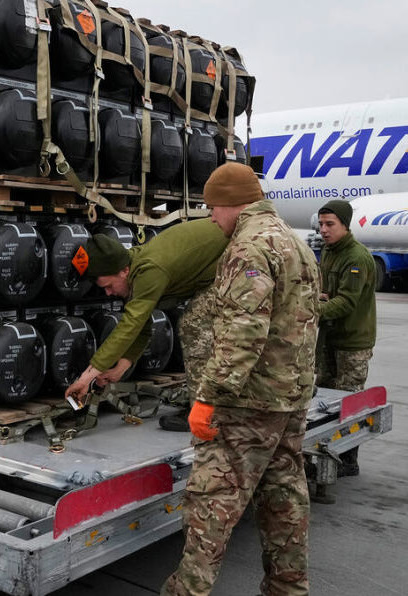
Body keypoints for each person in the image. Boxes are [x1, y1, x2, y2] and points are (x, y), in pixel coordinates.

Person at [161, 162, 320, 596]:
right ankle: (288, 588)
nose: (212, 218)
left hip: (248, 402)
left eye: (212, 208)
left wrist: (208, 396)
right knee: (284, 497)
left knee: (211, 501)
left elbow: (243, 331)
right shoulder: (296, 242)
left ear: (231, 203)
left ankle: (187, 591)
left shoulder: (249, 247)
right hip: (291, 397)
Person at [64, 219, 228, 432]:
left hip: (238, 259)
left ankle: (206, 414)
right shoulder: (134, 269)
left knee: (194, 326)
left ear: (123, 271)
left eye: (109, 286)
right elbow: (141, 326)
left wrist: (87, 377)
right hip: (220, 266)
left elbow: (130, 325)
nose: (108, 293)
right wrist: (119, 369)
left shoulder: (149, 270)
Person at [315, 199, 376, 482]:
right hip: (331, 337)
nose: (324, 230)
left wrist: (312, 309)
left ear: (345, 225)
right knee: (325, 401)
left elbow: (347, 302)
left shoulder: (356, 257)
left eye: (330, 224)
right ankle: (327, 455)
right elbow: (329, 292)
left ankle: (349, 460)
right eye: (321, 224)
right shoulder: (329, 251)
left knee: (349, 402)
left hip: (352, 342)